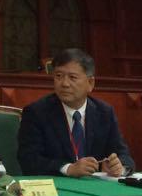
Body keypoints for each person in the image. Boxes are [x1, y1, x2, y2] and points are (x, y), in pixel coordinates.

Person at [17, 48, 134, 178]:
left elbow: (124, 155)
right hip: (58, 186)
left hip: (95, 185)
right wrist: (68, 169)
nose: (64, 84)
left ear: (90, 83)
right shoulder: (37, 113)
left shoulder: (104, 112)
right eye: (58, 76)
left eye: (72, 77)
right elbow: (29, 160)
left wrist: (119, 167)